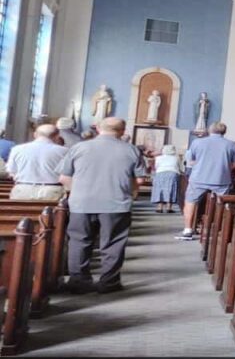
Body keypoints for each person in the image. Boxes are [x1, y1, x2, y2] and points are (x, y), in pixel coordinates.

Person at [58, 117, 148, 293]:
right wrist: (129, 193)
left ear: (98, 128)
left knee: (79, 241)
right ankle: (109, 282)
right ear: (122, 131)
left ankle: (78, 282)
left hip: (81, 203)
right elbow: (139, 179)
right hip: (116, 203)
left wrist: (78, 193)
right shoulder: (131, 150)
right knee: (113, 243)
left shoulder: (79, 147)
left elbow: (63, 177)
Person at [177, 121, 235, 241]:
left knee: (190, 202)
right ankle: (217, 229)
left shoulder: (197, 142)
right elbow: (234, 164)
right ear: (224, 131)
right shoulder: (232, 144)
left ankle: (187, 230)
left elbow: (190, 161)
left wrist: (202, 165)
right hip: (221, 179)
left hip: (199, 178)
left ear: (210, 130)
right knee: (221, 205)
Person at [7, 124, 69, 201]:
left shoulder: (17, 149)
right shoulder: (65, 151)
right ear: (57, 136)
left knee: (17, 213)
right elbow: (67, 175)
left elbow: (11, 172)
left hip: (23, 189)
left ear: (35, 134)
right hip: (52, 191)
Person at [151, 145, 182, 213]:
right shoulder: (176, 158)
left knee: (160, 189)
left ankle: (159, 207)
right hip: (172, 173)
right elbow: (179, 167)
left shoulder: (158, 158)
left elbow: (156, 166)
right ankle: (169, 207)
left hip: (160, 173)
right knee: (170, 189)